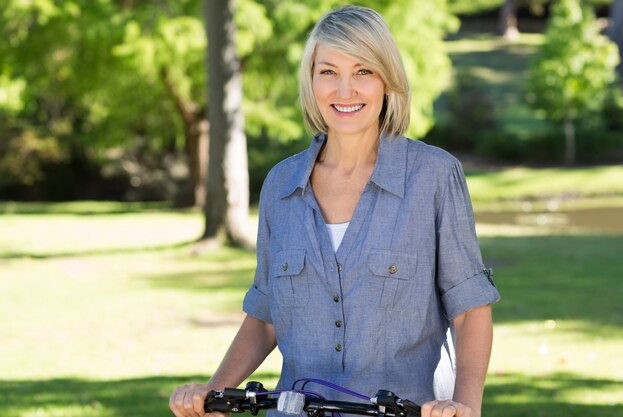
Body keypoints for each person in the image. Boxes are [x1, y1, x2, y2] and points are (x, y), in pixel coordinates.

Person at [169, 5, 500, 417]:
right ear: (311, 81)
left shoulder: (434, 176)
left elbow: (470, 310)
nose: (345, 91)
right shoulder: (281, 185)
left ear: (388, 81)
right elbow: (267, 315)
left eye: (363, 71)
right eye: (328, 72)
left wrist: (466, 406)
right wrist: (213, 395)